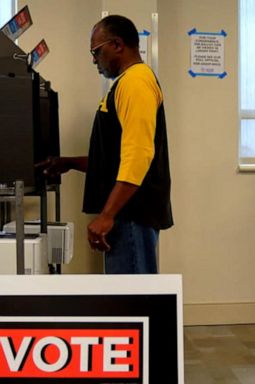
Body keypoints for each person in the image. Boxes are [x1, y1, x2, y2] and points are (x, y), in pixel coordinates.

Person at [38, 15, 173, 274]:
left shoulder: (136, 83)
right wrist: (68, 163)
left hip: (131, 214)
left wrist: (107, 215)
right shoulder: (124, 84)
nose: (93, 59)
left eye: (96, 51)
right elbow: (116, 157)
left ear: (118, 45)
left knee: (132, 303)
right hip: (126, 212)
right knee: (126, 301)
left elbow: (138, 156)